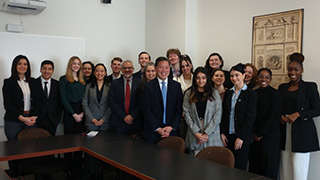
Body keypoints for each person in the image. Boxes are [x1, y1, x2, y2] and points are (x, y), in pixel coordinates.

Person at [278, 53, 320, 180]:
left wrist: (298, 114)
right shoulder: (282, 87)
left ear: (302, 70)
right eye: (290, 69)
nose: (292, 72)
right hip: (284, 131)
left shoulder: (310, 87)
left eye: (296, 69)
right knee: (285, 169)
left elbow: (317, 110)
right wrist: (280, 116)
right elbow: (279, 107)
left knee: (299, 169)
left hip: (302, 133)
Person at [2, 55, 38, 180]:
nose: (23, 66)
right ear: (15, 66)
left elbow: (38, 101)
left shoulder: (32, 82)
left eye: (25, 64)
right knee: (13, 150)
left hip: (30, 119)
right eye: (19, 64)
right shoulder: (8, 82)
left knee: (27, 149)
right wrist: (22, 118)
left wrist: (34, 117)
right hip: (14, 121)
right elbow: (8, 105)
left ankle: (23, 174)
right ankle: (14, 175)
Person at [220, 63, 257, 170]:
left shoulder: (250, 94)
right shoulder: (229, 93)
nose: (234, 78)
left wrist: (241, 137)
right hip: (228, 135)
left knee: (239, 168)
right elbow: (225, 114)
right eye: (232, 76)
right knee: (228, 167)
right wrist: (222, 132)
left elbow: (250, 117)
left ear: (243, 75)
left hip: (242, 137)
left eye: (237, 75)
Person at [248, 68, 282, 179]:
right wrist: (254, 133)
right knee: (255, 166)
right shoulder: (254, 93)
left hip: (269, 137)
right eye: (261, 77)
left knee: (269, 167)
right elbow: (251, 114)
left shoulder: (275, 94)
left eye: (267, 77)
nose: (264, 79)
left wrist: (260, 133)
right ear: (257, 78)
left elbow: (274, 117)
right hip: (254, 136)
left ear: (270, 79)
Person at [183, 67, 223, 156]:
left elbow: (218, 115)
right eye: (198, 78)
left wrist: (207, 133)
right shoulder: (188, 93)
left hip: (211, 132)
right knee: (196, 165)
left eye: (203, 78)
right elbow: (186, 114)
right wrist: (196, 133)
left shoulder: (214, 93)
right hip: (195, 132)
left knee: (212, 165)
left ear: (207, 79)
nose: (201, 80)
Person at [142, 56, 182, 143]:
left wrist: (171, 127)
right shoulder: (148, 87)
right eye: (161, 67)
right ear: (156, 68)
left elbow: (179, 110)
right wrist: (157, 128)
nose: (164, 70)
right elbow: (146, 111)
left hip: (171, 132)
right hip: (152, 132)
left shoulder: (176, 86)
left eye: (166, 67)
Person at [82, 63, 111, 179]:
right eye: (97, 71)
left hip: (105, 123)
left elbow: (111, 105)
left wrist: (103, 119)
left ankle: (101, 173)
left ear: (105, 73)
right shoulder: (89, 86)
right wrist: (92, 119)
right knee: (92, 150)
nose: (99, 73)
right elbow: (84, 103)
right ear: (94, 73)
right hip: (91, 123)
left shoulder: (110, 86)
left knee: (103, 149)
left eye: (102, 71)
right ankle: (92, 173)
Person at [59, 56, 86, 179]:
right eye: (74, 63)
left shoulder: (83, 80)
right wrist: (74, 114)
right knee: (69, 144)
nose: (76, 65)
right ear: (70, 65)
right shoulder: (64, 79)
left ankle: (77, 170)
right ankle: (68, 170)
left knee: (80, 143)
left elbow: (86, 98)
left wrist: (82, 113)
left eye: (78, 63)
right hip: (70, 114)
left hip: (81, 113)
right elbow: (63, 99)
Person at [108, 60, 142, 135]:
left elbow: (141, 102)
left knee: (136, 146)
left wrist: (132, 116)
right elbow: (112, 101)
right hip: (119, 122)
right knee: (119, 145)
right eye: (125, 68)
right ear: (121, 69)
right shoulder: (115, 83)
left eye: (129, 68)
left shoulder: (139, 83)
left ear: (133, 69)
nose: (127, 70)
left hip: (135, 122)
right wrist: (124, 117)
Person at [34, 60, 62, 136]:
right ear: (40, 70)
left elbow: (60, 102)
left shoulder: (57, 84)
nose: (47, 71)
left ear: (53, 71)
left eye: (49, 69)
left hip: (52, 120)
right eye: (44, 68)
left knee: (51, 145)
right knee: (37, 144)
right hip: (37, 120)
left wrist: (57, 119)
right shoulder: (33, 83)